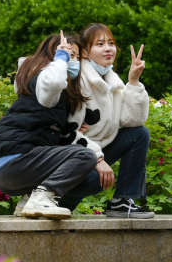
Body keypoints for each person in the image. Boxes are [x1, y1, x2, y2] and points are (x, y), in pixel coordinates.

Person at [0, 32, 100, 219]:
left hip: (12, 171)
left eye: (76, 57)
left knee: (92, 179)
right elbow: (53, 82)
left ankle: (29, 200)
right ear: (52, 56)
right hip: (15, 160)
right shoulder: (44, 79)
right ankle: (41, 198)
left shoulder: (57, 95)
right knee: (85, 156)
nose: (74, 62)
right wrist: (61, 58)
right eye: (70, 55)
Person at [58, 23, 154, 218]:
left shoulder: (112, 80)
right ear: (85, 52)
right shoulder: (79, 80)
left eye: (111, 43)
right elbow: (65, 133)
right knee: (95, 180)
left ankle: (123, 201)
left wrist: (134, 82)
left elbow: (132, 121)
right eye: (100, 44)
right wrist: (98, 159)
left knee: (139, 134)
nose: (108, 48)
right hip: (72, 157)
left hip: (94, 153)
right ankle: (55, 198)